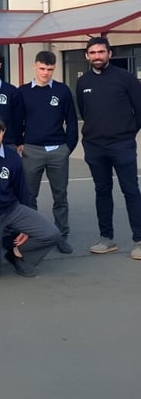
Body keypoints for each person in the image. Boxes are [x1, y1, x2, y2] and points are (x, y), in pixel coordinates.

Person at [0, 113, 60, 278]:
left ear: (4, 132)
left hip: (11, 210)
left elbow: (21, 189)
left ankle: (17, 254)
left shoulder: (12, 156)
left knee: (51, 233)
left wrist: (26, 228)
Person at [76, 37, 141, 258]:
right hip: (95, 147)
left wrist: (128, 133)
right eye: (92, 52)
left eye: (101, 52)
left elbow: (139, 110)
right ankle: (107, 238)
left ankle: (139, 240)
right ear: (87, 56)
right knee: (102, 191)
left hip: (122, 145)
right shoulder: (83, 82)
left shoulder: (126, 78)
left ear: (109, 54)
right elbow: (85, 112)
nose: (97, 56)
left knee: (131, 191)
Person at [18, 51, 78, 254]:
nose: (46, 73)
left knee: (60, 196)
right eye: (42, 68)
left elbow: (71, 120)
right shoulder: (23, 92)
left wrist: (68, 146)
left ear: (54, 69)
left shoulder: (62, 91)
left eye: (50, 69)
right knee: (29, 195)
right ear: (35, 66)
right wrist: (20, 142)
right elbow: (18, 120)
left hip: (57, 151)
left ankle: (62, 235)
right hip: (31, 150)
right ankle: (33, 234)